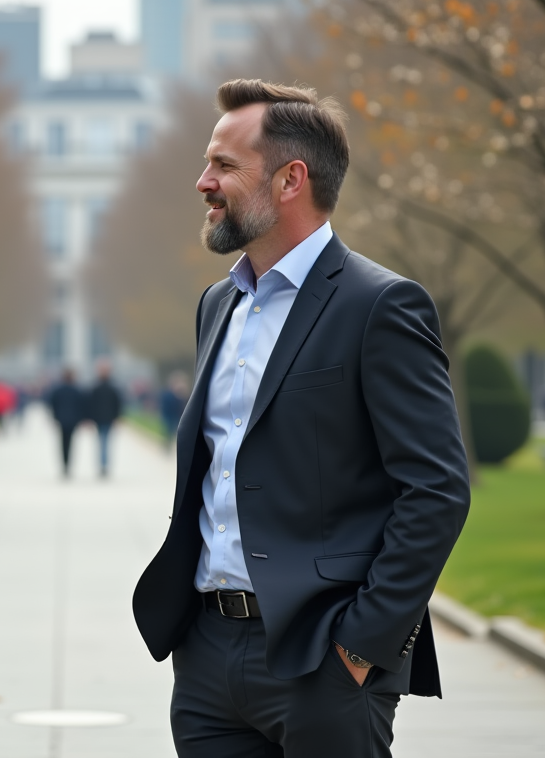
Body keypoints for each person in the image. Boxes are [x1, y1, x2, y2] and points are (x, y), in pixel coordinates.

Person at [132, 80, 470, 758]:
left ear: (291, 180)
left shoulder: (382, 307)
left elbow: (436, 490)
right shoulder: (216, 306)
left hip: (323, 663)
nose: (203, 182)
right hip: (206, 657)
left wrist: (361, 645)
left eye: (224, 165)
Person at [87, 359, 122, 477]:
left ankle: (103, 464)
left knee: (103, 441)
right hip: (104, 418)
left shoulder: (97, 386)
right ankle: (104, 464)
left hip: (104, 418)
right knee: (104, 441)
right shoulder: (110, 387)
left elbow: (117, 404)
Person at [48, 368, 85, 478]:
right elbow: (81, 406)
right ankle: (68, 465)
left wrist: (54, 418)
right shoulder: (76, 390)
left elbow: (52, 405)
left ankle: (65, 465)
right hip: (72, 420)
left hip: (61, 420)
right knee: (70, 443)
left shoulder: (58, 390)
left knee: (63, 443)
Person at [158, 370, 189, 446]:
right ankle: (167, 443)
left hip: (177, 416)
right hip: (169, 415)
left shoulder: (181, 394)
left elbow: (183, 405)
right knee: (168, 431)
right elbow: (165, 404)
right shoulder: (168, 394)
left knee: (176, 431)